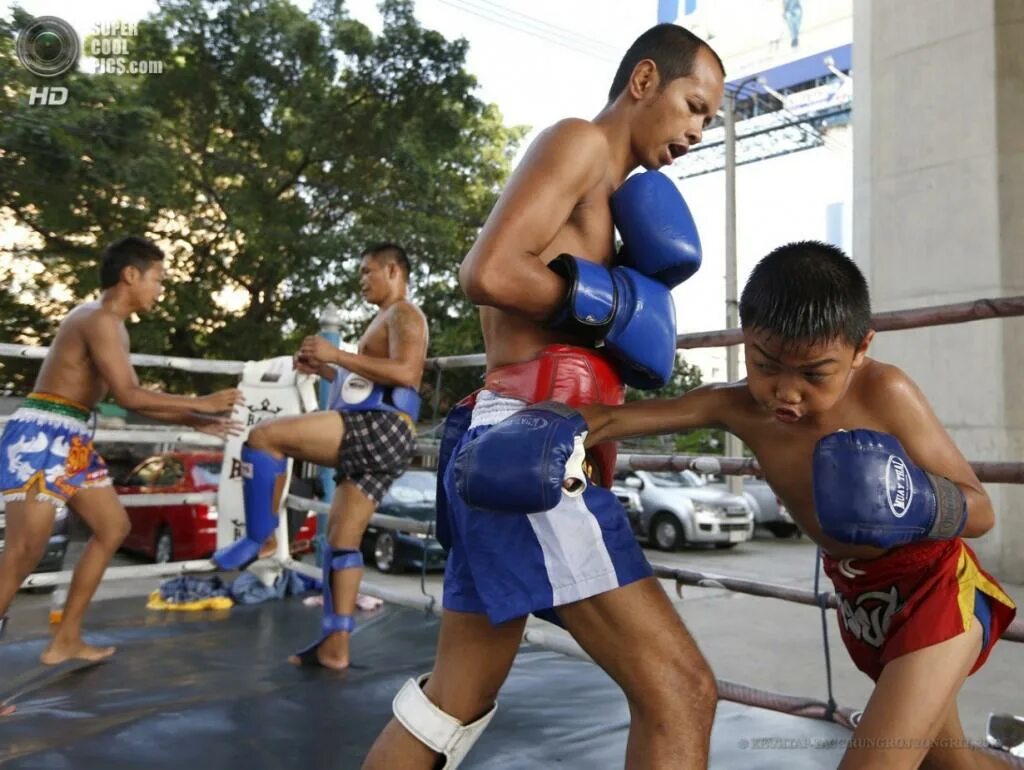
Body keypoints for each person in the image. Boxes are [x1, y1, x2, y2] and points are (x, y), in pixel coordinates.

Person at [480, 240, 1018, 770]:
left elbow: (981, 510)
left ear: (861, 349)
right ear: (746, 341)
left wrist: (916, 502)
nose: (787, 392)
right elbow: (614, 418)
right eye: (767, 365)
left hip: (937, 590)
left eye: (815, 374)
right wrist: (534, 429)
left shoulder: (885, 392)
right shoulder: (737, 406)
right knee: (951, 765)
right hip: (864, 604)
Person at [364, 24, 725, 770]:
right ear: (645, 80)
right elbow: (489, 271)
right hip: (531, 447)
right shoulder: (580, 143)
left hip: (512, 444)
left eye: (709, 123)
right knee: (681, 690)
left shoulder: (609, 195)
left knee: (451, 702)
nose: (696, 131)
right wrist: (610, 302)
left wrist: (612, 287)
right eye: (694, 106)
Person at [0, 236, 243, 675]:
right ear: (130, 275)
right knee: (22, 552)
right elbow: (129, 395)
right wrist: (203, 402)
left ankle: (67, 639)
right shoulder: (98, 319)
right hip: (42, 432)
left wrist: (191, 420)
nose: (159, 290)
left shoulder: (112, 325)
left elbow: (129, 399)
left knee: (113, 527)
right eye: (158, 280)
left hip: (72, 436)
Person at [213, 242, 428, 671]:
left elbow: (408, 373)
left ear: (392, 270)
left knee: (264, 437)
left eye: (368, 272)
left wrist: (335, 353)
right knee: (341, 543)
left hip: (378, 427)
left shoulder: (404, 313)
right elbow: (369, 382)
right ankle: (335, 646)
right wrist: (326, 370)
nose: (363, 280)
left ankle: (262, 539)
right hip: (382, 432)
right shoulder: (383, 318)